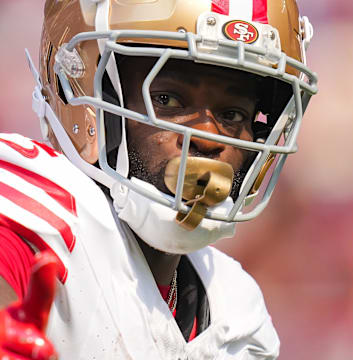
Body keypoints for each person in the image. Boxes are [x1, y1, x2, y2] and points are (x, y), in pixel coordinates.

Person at [0, 0, 318, 359]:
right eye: (167, 98)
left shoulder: (236, 313)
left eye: (232, 114)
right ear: (83, 87)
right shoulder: (45, 203)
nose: (209, 138)